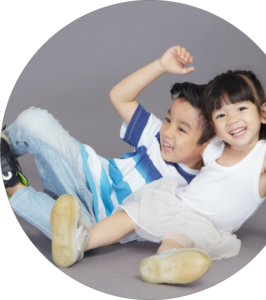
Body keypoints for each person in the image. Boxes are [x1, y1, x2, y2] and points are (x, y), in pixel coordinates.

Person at [49, 69, 266, 284]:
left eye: (241, 109)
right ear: (214, 128)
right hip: (178, 203)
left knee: (179, 237)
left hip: (207, 226)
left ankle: (161, 263)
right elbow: (182, 141)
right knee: (130, 215)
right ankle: (80, 241)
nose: (232, 120)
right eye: (221, 115)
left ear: (263, 113)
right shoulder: (213, 146)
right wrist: (170, 127)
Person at [1, 46, 215, 280]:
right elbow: (119, 96)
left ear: (207, 144)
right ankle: (4, 148)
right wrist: (161, 66)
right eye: (168, 120)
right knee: (35, 120)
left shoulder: (199, 186)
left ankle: (13, 185)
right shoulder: (155, 134)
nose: (168, 132)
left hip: (94, 223)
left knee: (70, 235)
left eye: (182, 129)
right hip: (81, 172)